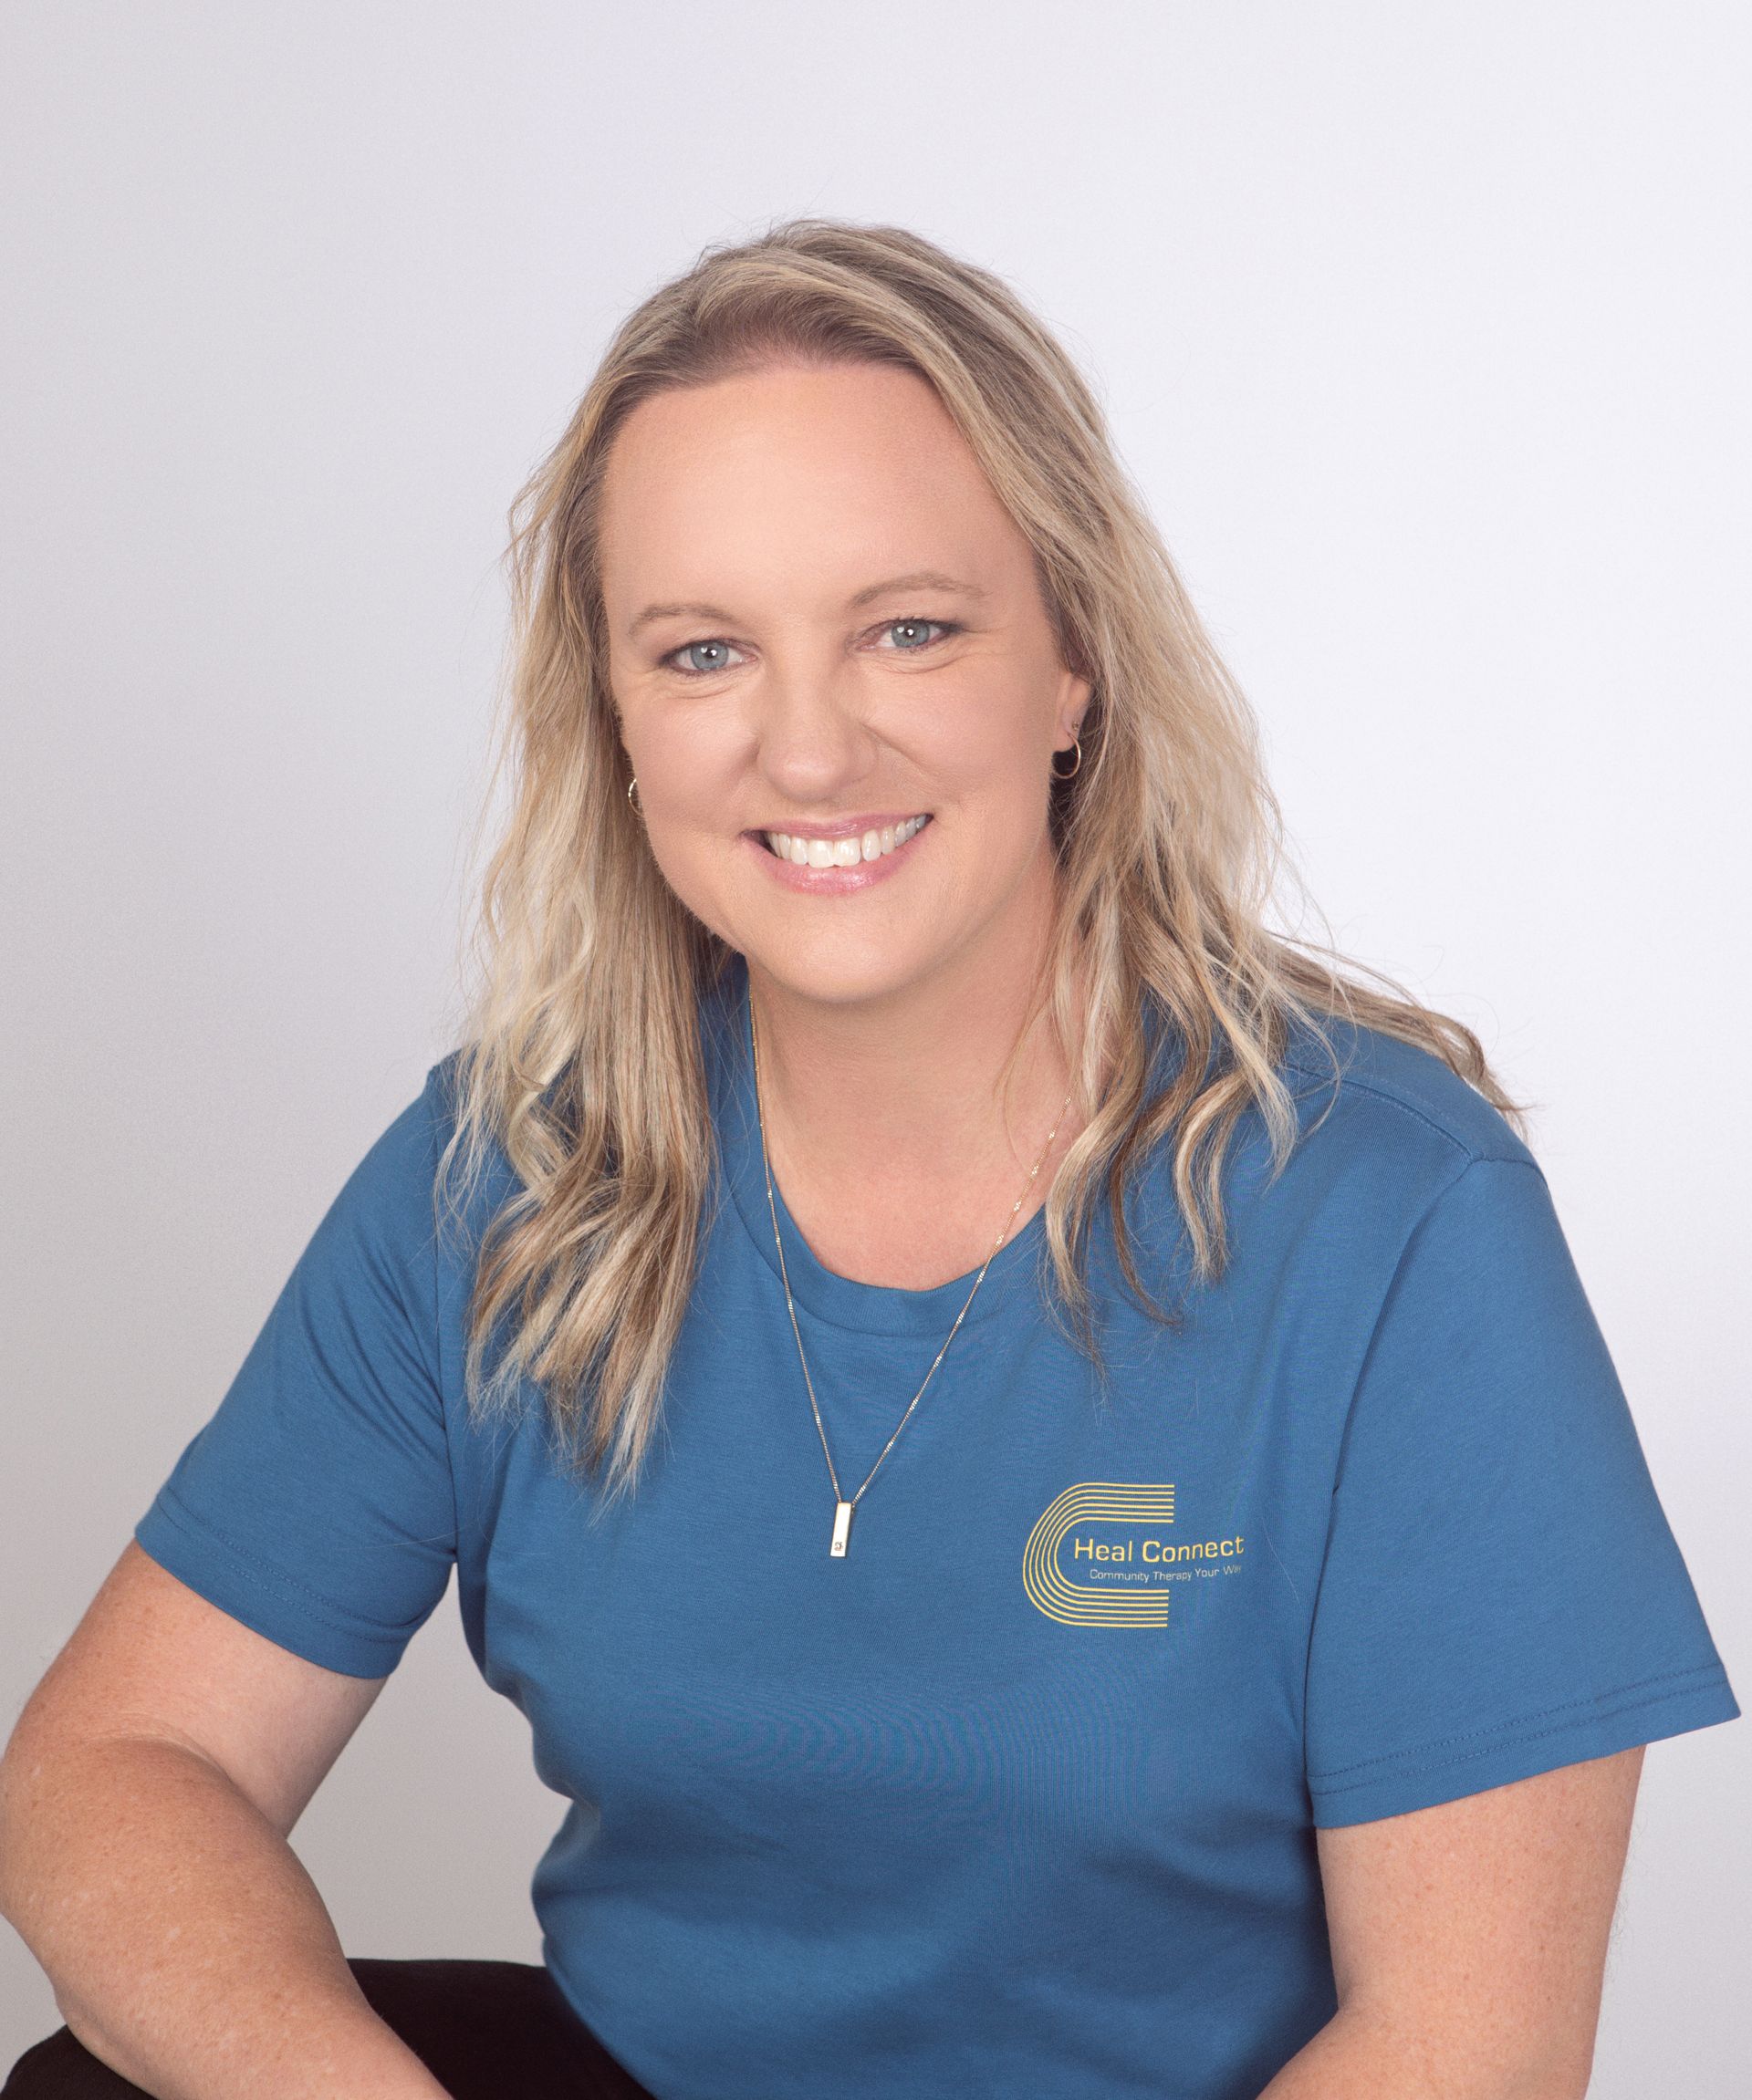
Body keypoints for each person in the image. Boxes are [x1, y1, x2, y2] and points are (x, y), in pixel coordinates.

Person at [0, 216, 1737, 2100]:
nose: (806, 747)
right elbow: (113, 1769)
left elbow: (1465, 2052)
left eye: (909, 626)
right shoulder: (505, 1176)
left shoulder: (1395, 1215)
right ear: (619, 716)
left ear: (1072, 661)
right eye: (704, 648)